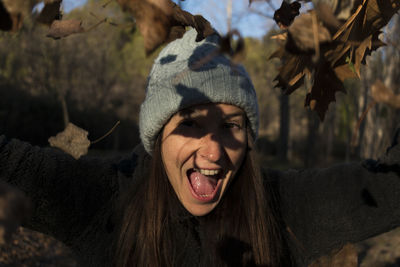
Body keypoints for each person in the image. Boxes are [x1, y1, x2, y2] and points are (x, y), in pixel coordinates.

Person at [0, 28, 399, 267]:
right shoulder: (102, 199)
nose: (213, 152)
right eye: (190, 124)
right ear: (158, 135)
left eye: (230, 126)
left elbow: (391, 188)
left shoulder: (282, 208)